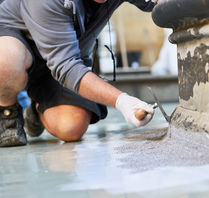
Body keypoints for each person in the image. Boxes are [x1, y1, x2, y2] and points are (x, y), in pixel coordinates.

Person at [0, 0, 159, 147]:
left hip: (61, 57)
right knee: (5, 60)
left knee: (71, 128)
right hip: (17, 44)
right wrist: (123, 101)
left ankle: (37, 107)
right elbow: (67, 66)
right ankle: (8, 110)